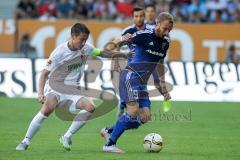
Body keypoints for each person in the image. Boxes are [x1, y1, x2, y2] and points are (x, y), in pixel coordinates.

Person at [16, 22, 113, 151]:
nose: (84, 43)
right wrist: (40, 93)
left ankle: (67, 136)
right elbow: (44, 73)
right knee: (48, 107)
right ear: (73, 36)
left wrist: (121, 54)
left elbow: (101, 52)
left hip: (73, 88)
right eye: (81, 39)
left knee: (90, 107)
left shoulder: (86, 48)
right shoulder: (59, 53)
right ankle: (25, 141)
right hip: (55, 86)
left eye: (85, 40)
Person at [101, 12, 173, 153]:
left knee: (145, 117)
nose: (167, 32)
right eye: (165, 28)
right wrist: (122, 39)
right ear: (157, 24)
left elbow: (158, 65)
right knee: (133, 111)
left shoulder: (165, 43)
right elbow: (111, 46)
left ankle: (109, 130)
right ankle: (109, 144)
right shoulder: (144, 34)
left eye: (170, 30)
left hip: (142, 83)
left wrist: (163, 89)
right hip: (130, 77)